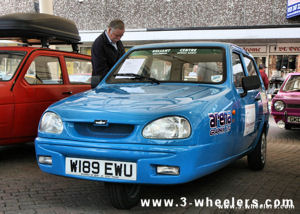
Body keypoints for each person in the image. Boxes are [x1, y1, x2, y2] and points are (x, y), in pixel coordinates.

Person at [91, 19, 125, 88]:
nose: (118, 38)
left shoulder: (118, 42)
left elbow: (123, 59)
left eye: (121, 36)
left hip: (115, 82)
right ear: (109, 30)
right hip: (102, 84)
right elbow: (100, 69)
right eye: (116, 35)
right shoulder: (99, 44)